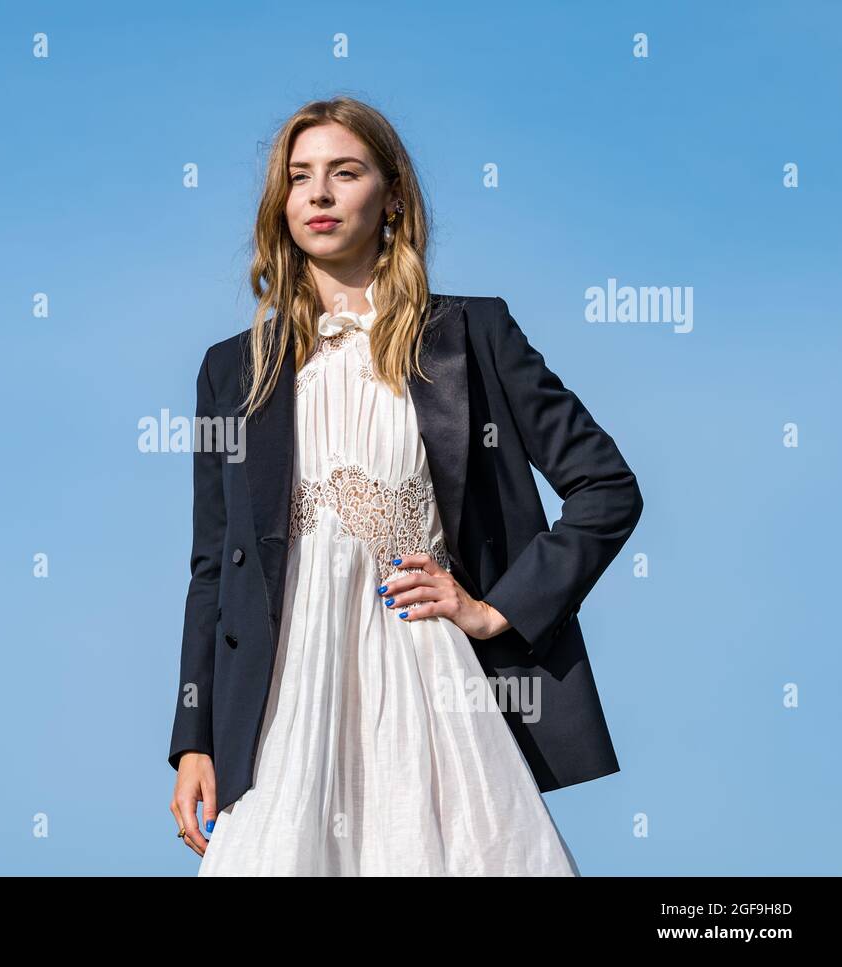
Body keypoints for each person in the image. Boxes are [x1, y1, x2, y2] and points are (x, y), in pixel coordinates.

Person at [167, 97, 643, 875]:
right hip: (284, 702)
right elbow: (214, 567)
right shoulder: (231, 370)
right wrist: (194, 737)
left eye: (343, 172)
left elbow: (607, 487)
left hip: (432, 688)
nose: (318, 195)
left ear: (392, 196)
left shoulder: (472, 336)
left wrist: (497, 610)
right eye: (299, 178)